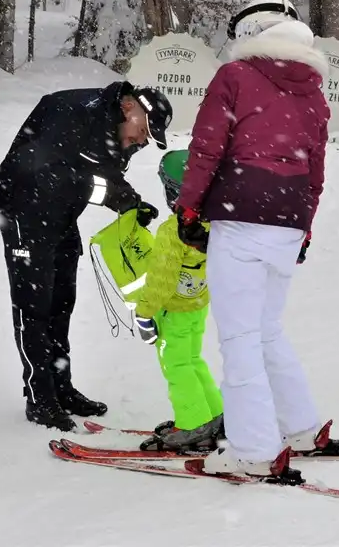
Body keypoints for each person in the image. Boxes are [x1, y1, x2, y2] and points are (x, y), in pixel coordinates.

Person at [173, 0, 339, 482]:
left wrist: (188, 208)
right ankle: (302, 428)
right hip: (288, 218)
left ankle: (252, 450)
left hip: (240, 213)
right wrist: (304, 227)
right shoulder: (312, 91)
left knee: (241, 336)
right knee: (267, 327)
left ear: (248, 33)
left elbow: (206, 148)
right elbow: (316, 173)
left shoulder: (235, 77)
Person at [0, 81, 173, 431]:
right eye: (144, 132)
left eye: (147, 139)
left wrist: (131, 201)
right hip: (25, 208)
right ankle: (39, 397)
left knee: (61, 300)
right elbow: (54, 175)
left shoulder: (115, 127)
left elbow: (105, 173)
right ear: (130, 106)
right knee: (35, 305)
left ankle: (61, 386)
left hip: (59, 212)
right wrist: (113, 196)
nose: (142, 141)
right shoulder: (73, 114)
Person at [131, 149, 224, 453]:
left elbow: (161, 279)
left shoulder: (174, 231)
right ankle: (215, 416)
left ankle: (192, 424)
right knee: (194, 360)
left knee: (176, 366)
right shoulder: (216, 223)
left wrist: (145, 313)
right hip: (198, 308)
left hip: (174, 312)